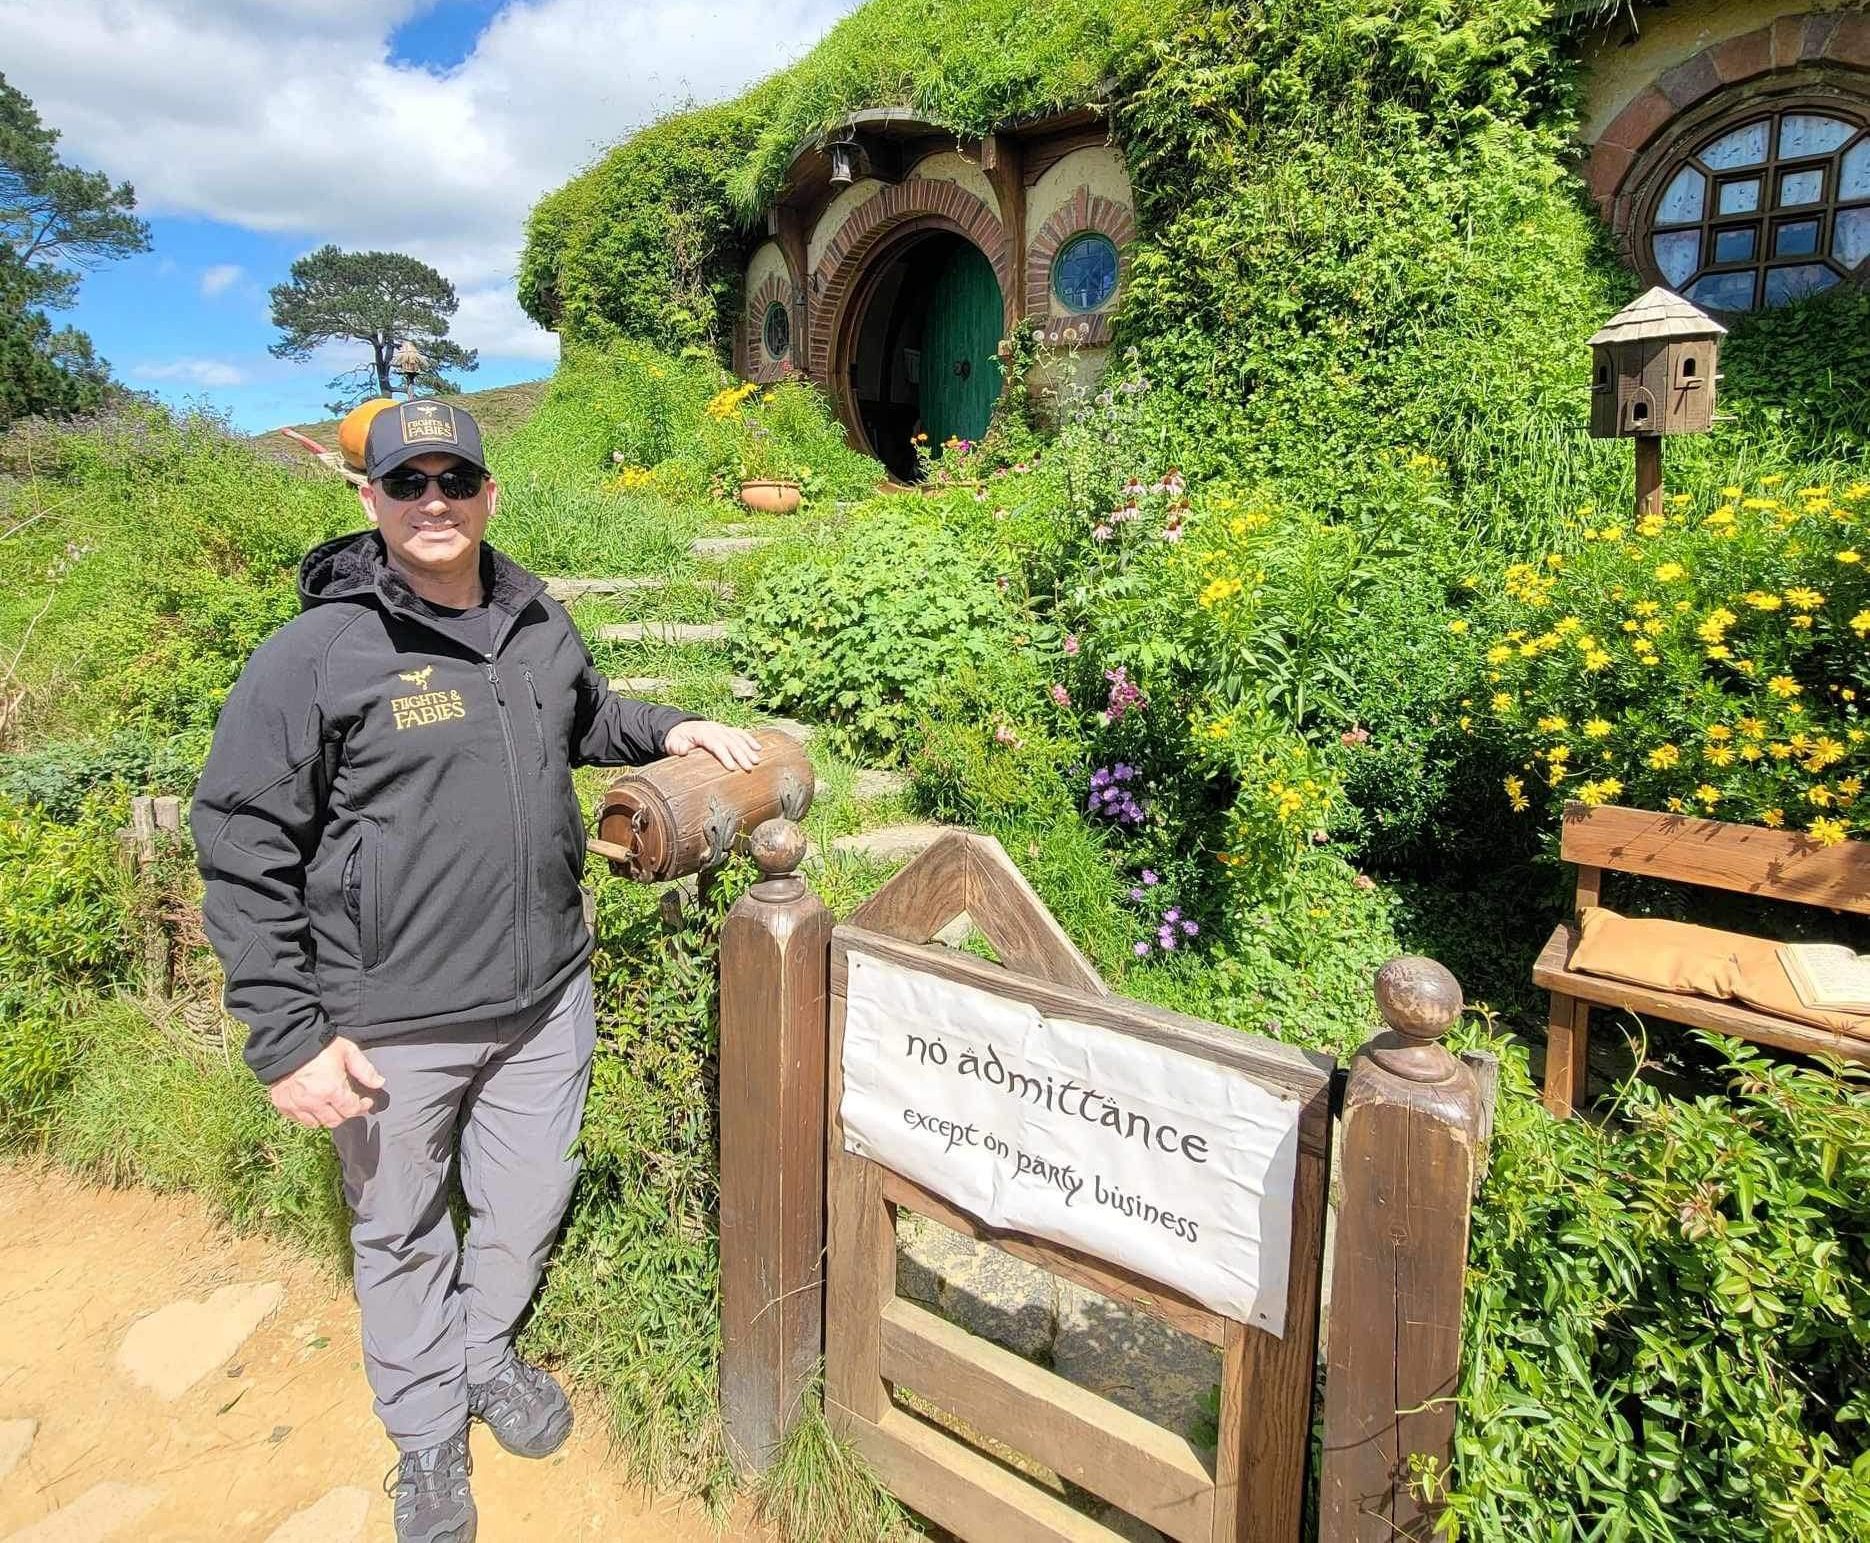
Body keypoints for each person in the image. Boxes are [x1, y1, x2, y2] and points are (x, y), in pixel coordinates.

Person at [190, 398, 761, 1543]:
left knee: (527, 1199)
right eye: (410, 484)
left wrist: (672, 726)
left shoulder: (534, 617)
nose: (435, 501)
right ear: (371, 502)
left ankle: (484, 1353)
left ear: (490, 492)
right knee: (401, 1230)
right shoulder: (317, 652)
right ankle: (425, 1438)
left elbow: (587, 716)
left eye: (457, 478)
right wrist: (287, 1036)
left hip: (546, 994)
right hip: (392, 1019)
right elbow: (242, 837)